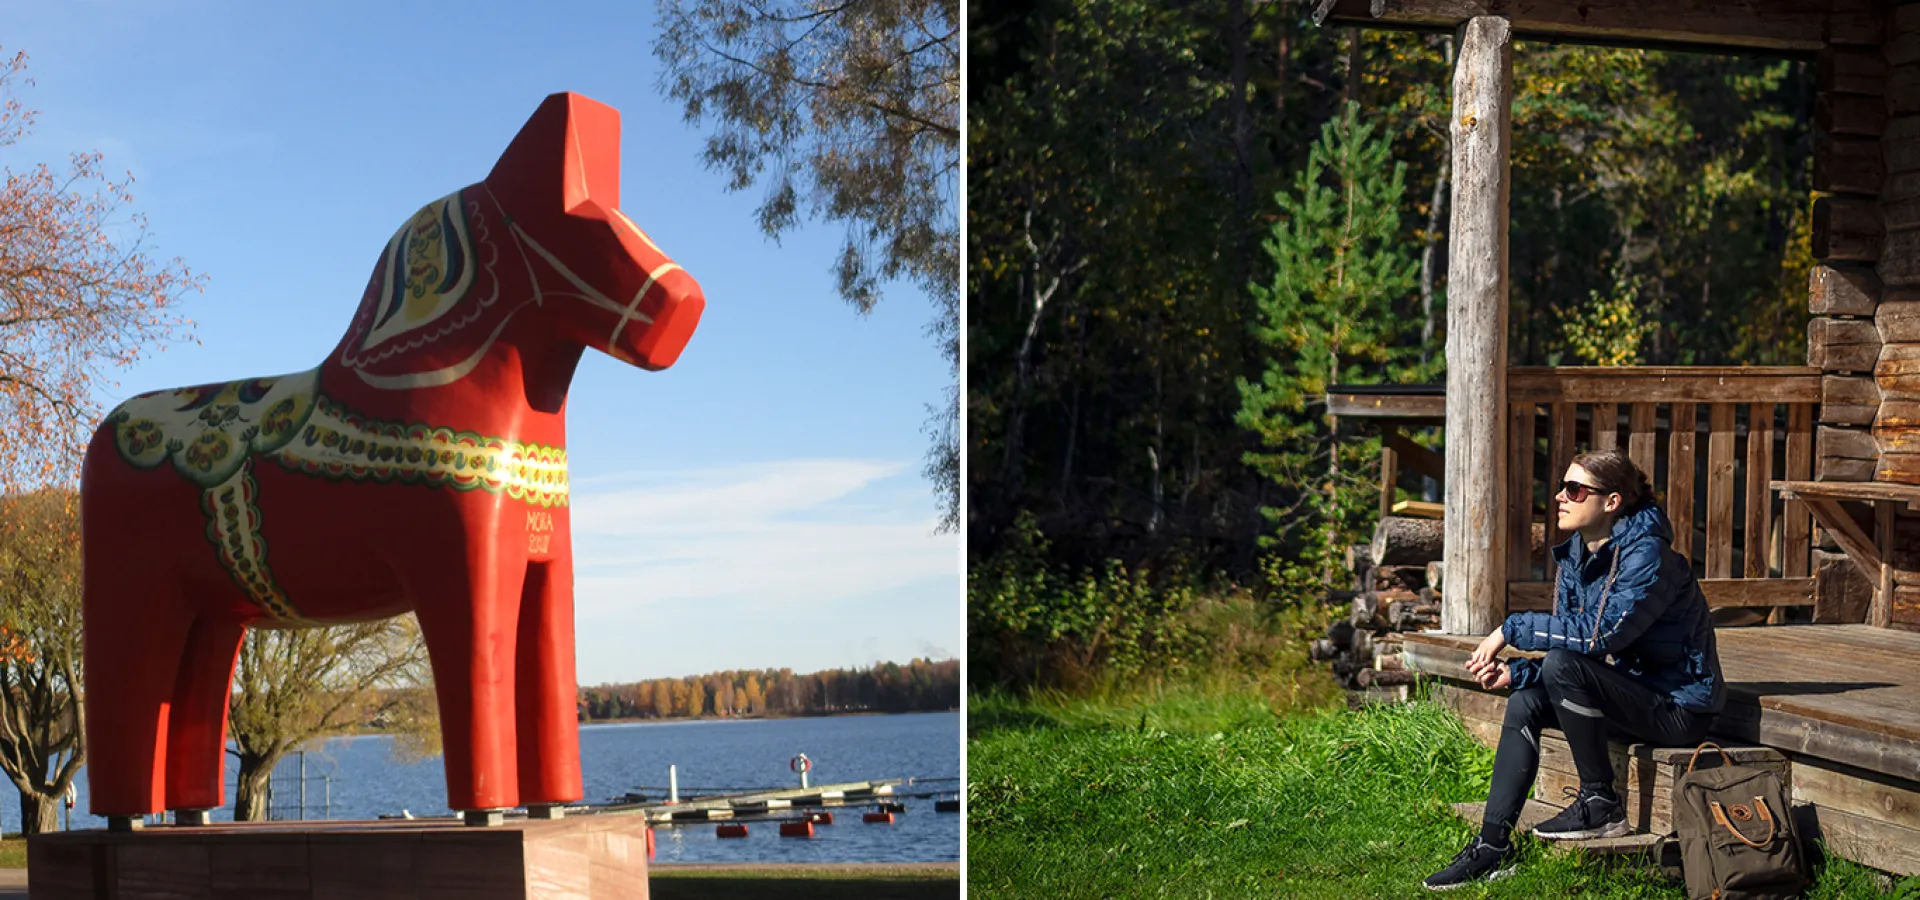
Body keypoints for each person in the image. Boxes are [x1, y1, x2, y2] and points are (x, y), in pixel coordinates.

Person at [1424, 449, 1726, 891]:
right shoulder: (1576, 557)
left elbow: (1600, 637)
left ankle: (1600, 802)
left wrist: (1510, 629)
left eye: (1575, 489)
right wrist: (1519, 675)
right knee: (1526, 702)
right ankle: (1492, 846)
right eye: (1562, 488)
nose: (1560, 498)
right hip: (1635, 695)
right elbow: (1579, 654)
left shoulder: (1649, 556)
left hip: (1680, 709)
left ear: (1611, 502)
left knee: (1563, 663)